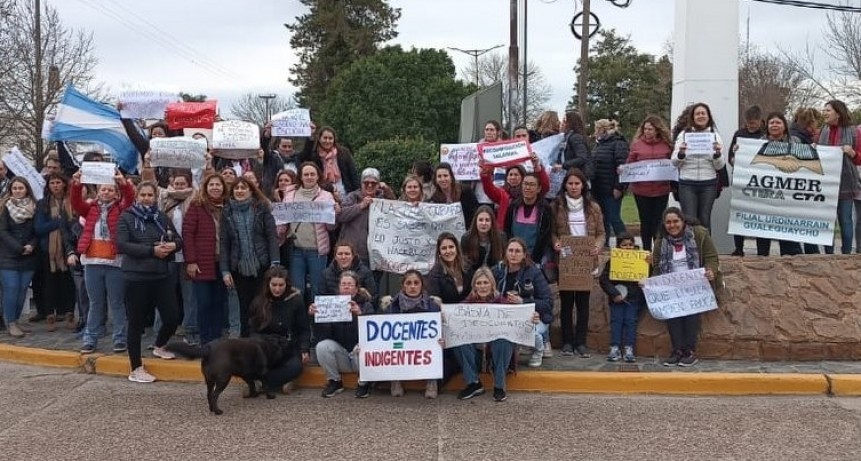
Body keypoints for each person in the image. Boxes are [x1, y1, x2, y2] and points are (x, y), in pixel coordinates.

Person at [117, 181, 183, 383]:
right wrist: (151, 250)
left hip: (161, 276)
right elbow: (122, 244)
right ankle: (135, 367)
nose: (147, 198)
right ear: (137, 196)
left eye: (150, 195)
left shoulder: (161, 218)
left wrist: (172, 245)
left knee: (172, 317)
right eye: (143, 195)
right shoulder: (126, 217)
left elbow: (179, 240)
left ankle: (159, 345)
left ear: (155, 197)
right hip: (136, 277)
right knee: (136, 324)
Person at [452, 267, 539, 402]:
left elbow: (519, 326)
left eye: (485, 283)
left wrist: (531, 319)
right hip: (476, 355)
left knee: (503, 340)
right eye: (478, 283)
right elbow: (453, 321)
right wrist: (445, 318)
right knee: (458, 339)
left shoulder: (503, 303)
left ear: (492, 284)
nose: (482, 286)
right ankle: (473, 383)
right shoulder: (465, 306)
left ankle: (499, 385)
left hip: (496, 356)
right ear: (474, 285)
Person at [72, 170, 135, 354]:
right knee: (95, 303)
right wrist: (77, 184)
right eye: (103, 190)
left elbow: (130, 199)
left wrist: (123, 184)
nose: (106, 193)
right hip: (92, 261)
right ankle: (90, 338)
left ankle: (119, 339)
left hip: (114, 262)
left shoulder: (120, 209)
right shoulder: (91, 208)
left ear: (115, 194)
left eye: (110, 190)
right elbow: (75, 203)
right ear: (98, 192)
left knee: (116, 302)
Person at [652, 207, 720, 367]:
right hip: (671, 288)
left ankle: (689, 351)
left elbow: (711, 257)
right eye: (668, 222)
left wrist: (711, 270)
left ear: (683, 221)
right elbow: (656, 266)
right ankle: (677, 350)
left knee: (691, 317)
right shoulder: (660, 242)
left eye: (675, 221)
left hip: (695, 287)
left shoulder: (699, 235)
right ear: (664, 224)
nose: (672, 225)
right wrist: (650, 283)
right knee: (673, 317)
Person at [552, 168, 605, 357]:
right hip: (565, 260)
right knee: (566, 303)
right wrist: (556, 243)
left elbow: (601, 233)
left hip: (585, 260)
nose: (574, 187)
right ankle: (567, 341)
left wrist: (597, 247)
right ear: (565, 185)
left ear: (583, 185)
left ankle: (580, 342)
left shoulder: (593, 207)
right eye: (570, 183)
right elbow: (552, 232)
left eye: (577, 183)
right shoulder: (556, 206)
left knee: (583, 304)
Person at [220, 177, 279, 338]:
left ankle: (262, 338)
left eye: (243, 187)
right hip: (238, 266)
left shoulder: (261, 208)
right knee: (244, 306)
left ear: (251, 190)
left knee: (261, 304)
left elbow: (271, 236)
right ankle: (245, 342)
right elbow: (224, 243)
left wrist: (275, 262)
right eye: (236, 188)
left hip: (262, 264)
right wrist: (225, 270)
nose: (239, 190)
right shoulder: (227, 211)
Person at [745, 113, 803, 256]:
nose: (775, 125)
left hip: (788, 196)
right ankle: (763, 260)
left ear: (784, 126)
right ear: (767, 127)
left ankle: (790, 259)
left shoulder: (795, 142)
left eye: (778, 122)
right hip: (766, 194)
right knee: (764, 230)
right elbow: (745, 163)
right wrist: (739, 153)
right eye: (772, 123)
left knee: (788, 231)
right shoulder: (759, 143)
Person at [248, 267, 310, 395]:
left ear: (286, 284)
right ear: (268, 284)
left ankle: (262, 383)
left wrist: (304, 349)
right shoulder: (259, 301)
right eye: (274, 285)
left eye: (281, 285)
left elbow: (304, 328)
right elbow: (252, 330)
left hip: (288, 347)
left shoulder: (296, 300)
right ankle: (277, 382)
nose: (277, 289)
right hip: (266, 347)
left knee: (296, 367)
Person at [491, 238, 553, 368]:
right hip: (503, 317)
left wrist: (523, 302)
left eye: (518, 251)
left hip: (533, 317)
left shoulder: (534, 272)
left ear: (524, 254)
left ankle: (538, 349)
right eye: (511, 251)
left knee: (532, 332)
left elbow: (548, 303)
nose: (513, 254)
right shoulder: (497, 271)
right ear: (506, 253)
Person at [313, 271, 375, 398]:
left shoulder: (366, 304)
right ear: (339, 287)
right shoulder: (330, 305)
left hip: (358, 355)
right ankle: (335, 381)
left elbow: (372, 333)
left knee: (363, 347)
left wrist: (360, 314)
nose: (346, 287)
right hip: (342, 355)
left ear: (357, 288)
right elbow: (323, 335)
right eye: (343, 284)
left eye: (350, 284)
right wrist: (316, 317)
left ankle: (364, 382)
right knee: (322, 346)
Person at [280, 162, 338, 300]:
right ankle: (300, 321)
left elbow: (331, 228)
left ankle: (315, 321)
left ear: (318, 176)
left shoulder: (326, 196)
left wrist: (334, 214)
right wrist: (278, 234)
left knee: (317, 290)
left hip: (317, 251)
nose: (309, 177)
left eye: (312, 174)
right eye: (306, 174)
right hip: (296, 250)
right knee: (296, 290)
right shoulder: (290, 195)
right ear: (301, 177)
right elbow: (283, 221)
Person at [183, 173, 228, 345]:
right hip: (202, 262)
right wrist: (191, 261)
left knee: (218, 302)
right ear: (206, 187)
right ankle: (205, 339)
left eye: (218, 184)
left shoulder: (228, 207)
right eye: (211, 185)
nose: (215, 187)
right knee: (204, 303)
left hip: (222, 263)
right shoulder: (197, 206)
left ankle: (216, 339)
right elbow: (187, 234)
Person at [386, 269, 442, 399]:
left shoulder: (433, 306)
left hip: (424, 346)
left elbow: (440, 329)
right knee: (393, 346)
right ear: (403, 286)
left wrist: (441, 339)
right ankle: (396, 380)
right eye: (409, 283)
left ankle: (431, 381)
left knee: (434, 347)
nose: (412, 286)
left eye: (416, 283)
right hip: (401, 344)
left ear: (422, 285)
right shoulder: (393, 306)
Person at [672, 102, 725, 232]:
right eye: (697, 114)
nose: (700, 116)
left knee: (704, 219)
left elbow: (720, 166)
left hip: (708, 183)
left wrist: (717, 154)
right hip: (687, 183)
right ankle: (691, 250)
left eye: (703, 113)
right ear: (693, 117)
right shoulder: (684, 135)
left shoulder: (715, 136)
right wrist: (681, 153)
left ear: (708, 116)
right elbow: (674, 162)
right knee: (689, 219)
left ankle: (705, 251)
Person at [34, 173, 77, 332]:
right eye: (52, 183)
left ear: (64, 184)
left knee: (68, 283)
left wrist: (64, 224)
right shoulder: (42, 204)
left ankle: (69, 314)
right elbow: (39, 228)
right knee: (49, 283)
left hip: (68, 247)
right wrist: (60, 222)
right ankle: (49, 315)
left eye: (58, 182)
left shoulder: (71, 201)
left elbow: (74, 224)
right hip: (49, 250)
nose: (55, 186)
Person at [819, 99, 861, 255]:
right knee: (828, 220)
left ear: (838, 113)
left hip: (847, 182)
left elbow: (859, 158)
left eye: (828, 110)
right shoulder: (823, 130)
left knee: (845, 220)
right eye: (824, 110)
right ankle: (829, 254)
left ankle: (846, 254)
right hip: (827, 182)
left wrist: (851, 152)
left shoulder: (853, 131)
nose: (824, 113)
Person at [627, 115, 673, 252]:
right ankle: (646, 250)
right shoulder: (637, 145)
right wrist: (624, 170)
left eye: (650, 129)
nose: (647, 132)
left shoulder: (666, 145)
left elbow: (673, 163)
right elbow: (630, 163)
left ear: (657, 130)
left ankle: (658, 250)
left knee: (658, 222)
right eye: (645, 129)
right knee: (645, 221)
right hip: (641, 190)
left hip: (661, 190)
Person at [0, 178, 38, 337]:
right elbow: (2, 231)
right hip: (8, 256)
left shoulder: (35, 207)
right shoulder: (4, 207)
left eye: (20, 188)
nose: (17, 190)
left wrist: (31, 245)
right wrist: (18, 248)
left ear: (27, 189)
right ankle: (10, 322)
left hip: (29, 256)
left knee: (22, 290)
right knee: (11, 288)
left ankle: (16, 319)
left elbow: (37, 231)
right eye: (14, 188)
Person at [598, 233, 645, 363]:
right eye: (624, 245)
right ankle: (615, 347)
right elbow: (604, 279)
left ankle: (629, 348)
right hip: (617, 298)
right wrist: (614, 294)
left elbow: (647, 276)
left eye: (630, 245)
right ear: (619, 246)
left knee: (630, 321)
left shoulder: (641, 260)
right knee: (616, 321)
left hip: (633, 298)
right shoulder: (613, 260)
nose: (627, 247)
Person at [336, 167, 395, 266]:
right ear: (361, 183)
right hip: (352, 254)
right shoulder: (352, 196)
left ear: (378, 185)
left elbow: (398, 210)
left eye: (374, 183)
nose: (370, 185)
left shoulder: (383, 199)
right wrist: (360, 206)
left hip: (376, 255)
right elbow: (340, 216)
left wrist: (388, 191)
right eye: (366, 183)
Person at [728, 106, 765, 256]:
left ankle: (762, 250)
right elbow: (731, 158)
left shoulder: (765, 135)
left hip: (761, 181)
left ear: (760, 120)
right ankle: (739, 248)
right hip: (742, 180)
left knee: (761, 216)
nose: (751, 126)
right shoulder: (739, 134)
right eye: (749, 123)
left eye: (754, 123)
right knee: (740, 214)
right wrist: (735, 154)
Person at [479, 152, 549, 229]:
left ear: (523, 177)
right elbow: (490, 190)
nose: (513, 177)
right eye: (510, 175)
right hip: (506, 232)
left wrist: (538, 167)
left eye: (516, 175)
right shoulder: (503, 193)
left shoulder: (528, 192)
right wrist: (485, 175)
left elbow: (545, 187)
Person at [790, 107, 824, 255]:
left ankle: (803, 249)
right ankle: (807, 250)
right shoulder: (798, 139)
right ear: (809, 123)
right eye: (816, 123)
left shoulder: (797, 135)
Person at [591, 119, 628, 247]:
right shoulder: (599, 144)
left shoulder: (618, 143)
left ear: (603, 129)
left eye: (597, 129)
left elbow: (622, 166)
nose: (595, 132)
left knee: (614, 218)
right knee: (603, 219)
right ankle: (605, 246)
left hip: (612, 189)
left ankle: (626, 244)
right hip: (599, 188)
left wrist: (619, 186)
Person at [298, 126, 359, 197]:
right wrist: (311, 136)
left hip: (344, 191)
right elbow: (303, 158)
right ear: (319, 139)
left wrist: (357, 192)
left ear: (334, 140)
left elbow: (352, 173)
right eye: (325, 138)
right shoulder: (314, 155)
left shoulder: (343, 153)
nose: (327, 141)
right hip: (323, 192)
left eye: (330, 138)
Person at [426, 232, 470, 304]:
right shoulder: (434, 275)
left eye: (451, 247)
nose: (448, 251)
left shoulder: (468, 267)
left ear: (457, 248)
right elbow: (434, 300)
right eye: (444, 248)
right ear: (439, 252)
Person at [461, 205, 506, 274]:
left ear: (492, 222)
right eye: (481, 220)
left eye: (487, 220)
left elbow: (503, 261)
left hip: (495, 275)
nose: (484, 223)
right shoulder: (466, 238)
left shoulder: (501, 237)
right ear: (475, 221)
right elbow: (465, 264)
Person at [556, 110, 593, 181]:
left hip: (578, 176)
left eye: (564, 121)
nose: (562, 123)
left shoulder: (576, 137)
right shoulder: (567, 137)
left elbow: (582, 158)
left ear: (571, 123)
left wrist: (563, 165)